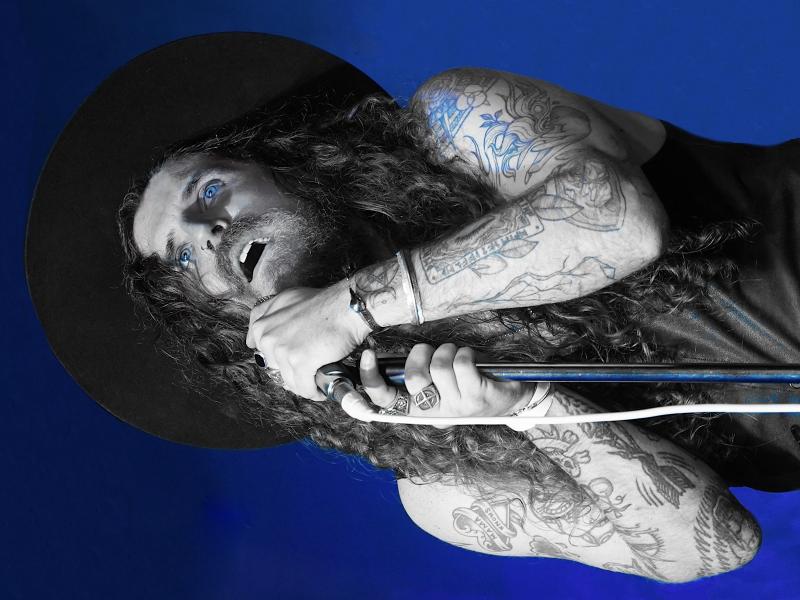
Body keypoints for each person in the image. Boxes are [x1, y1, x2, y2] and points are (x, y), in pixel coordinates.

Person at [117, 64, 798, 582]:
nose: (207, 232)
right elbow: (715, 545)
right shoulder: (439, 489)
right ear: (217, 314)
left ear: (282, 163)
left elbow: (620, 225)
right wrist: (531, 408)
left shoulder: (454, 122)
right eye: (182, 258)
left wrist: (353, 305)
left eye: (209, 190)